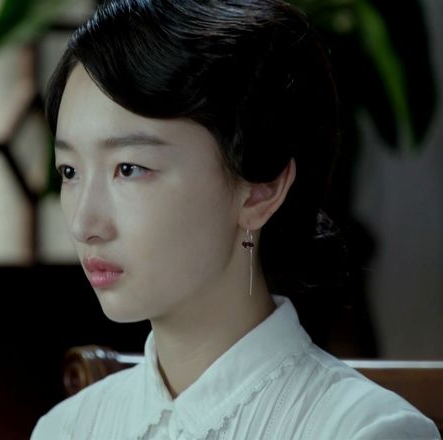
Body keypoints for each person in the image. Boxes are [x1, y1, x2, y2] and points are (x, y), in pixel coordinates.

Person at [32, 0, 440, 438]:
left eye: (129, 169)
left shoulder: (365, 429)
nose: (84, 224)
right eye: (69, 172)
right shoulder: (65, 428)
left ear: (260, 191)